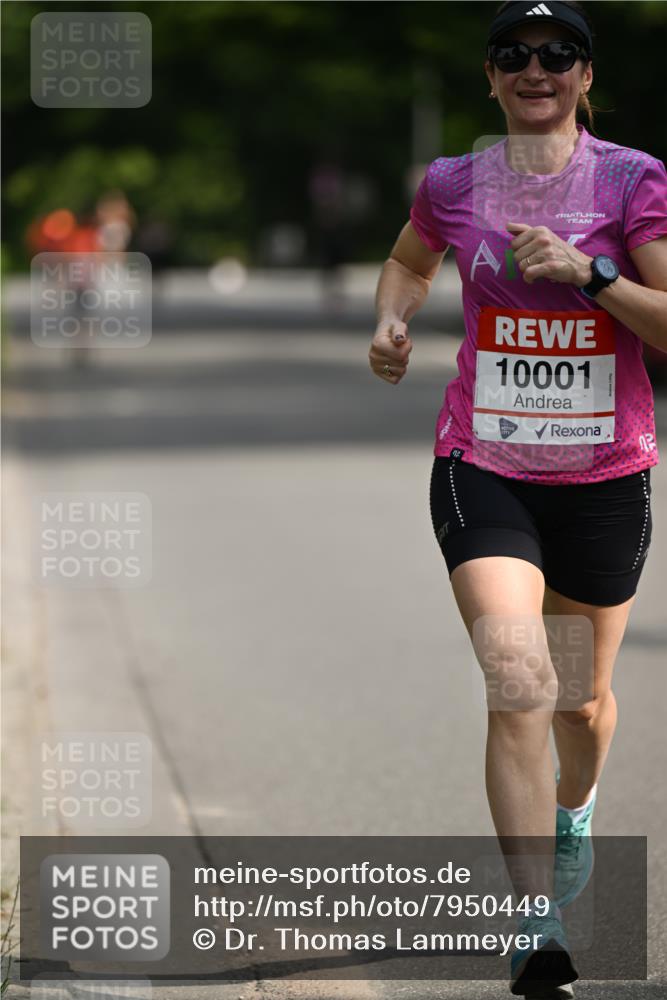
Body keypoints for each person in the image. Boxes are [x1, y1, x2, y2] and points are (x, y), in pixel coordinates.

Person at [369, 1, 667, 995]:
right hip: (483, 466)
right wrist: (390, 321)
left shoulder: (630, 180)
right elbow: (408, 260)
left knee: (576, 701)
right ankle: (535, 924)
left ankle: (573, 809)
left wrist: (591, 274)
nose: (535, 70)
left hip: (603, 480)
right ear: (490, 77)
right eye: (514, 55)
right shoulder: (454, 182)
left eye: (557, 55)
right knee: (520, 681)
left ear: (585, 76)